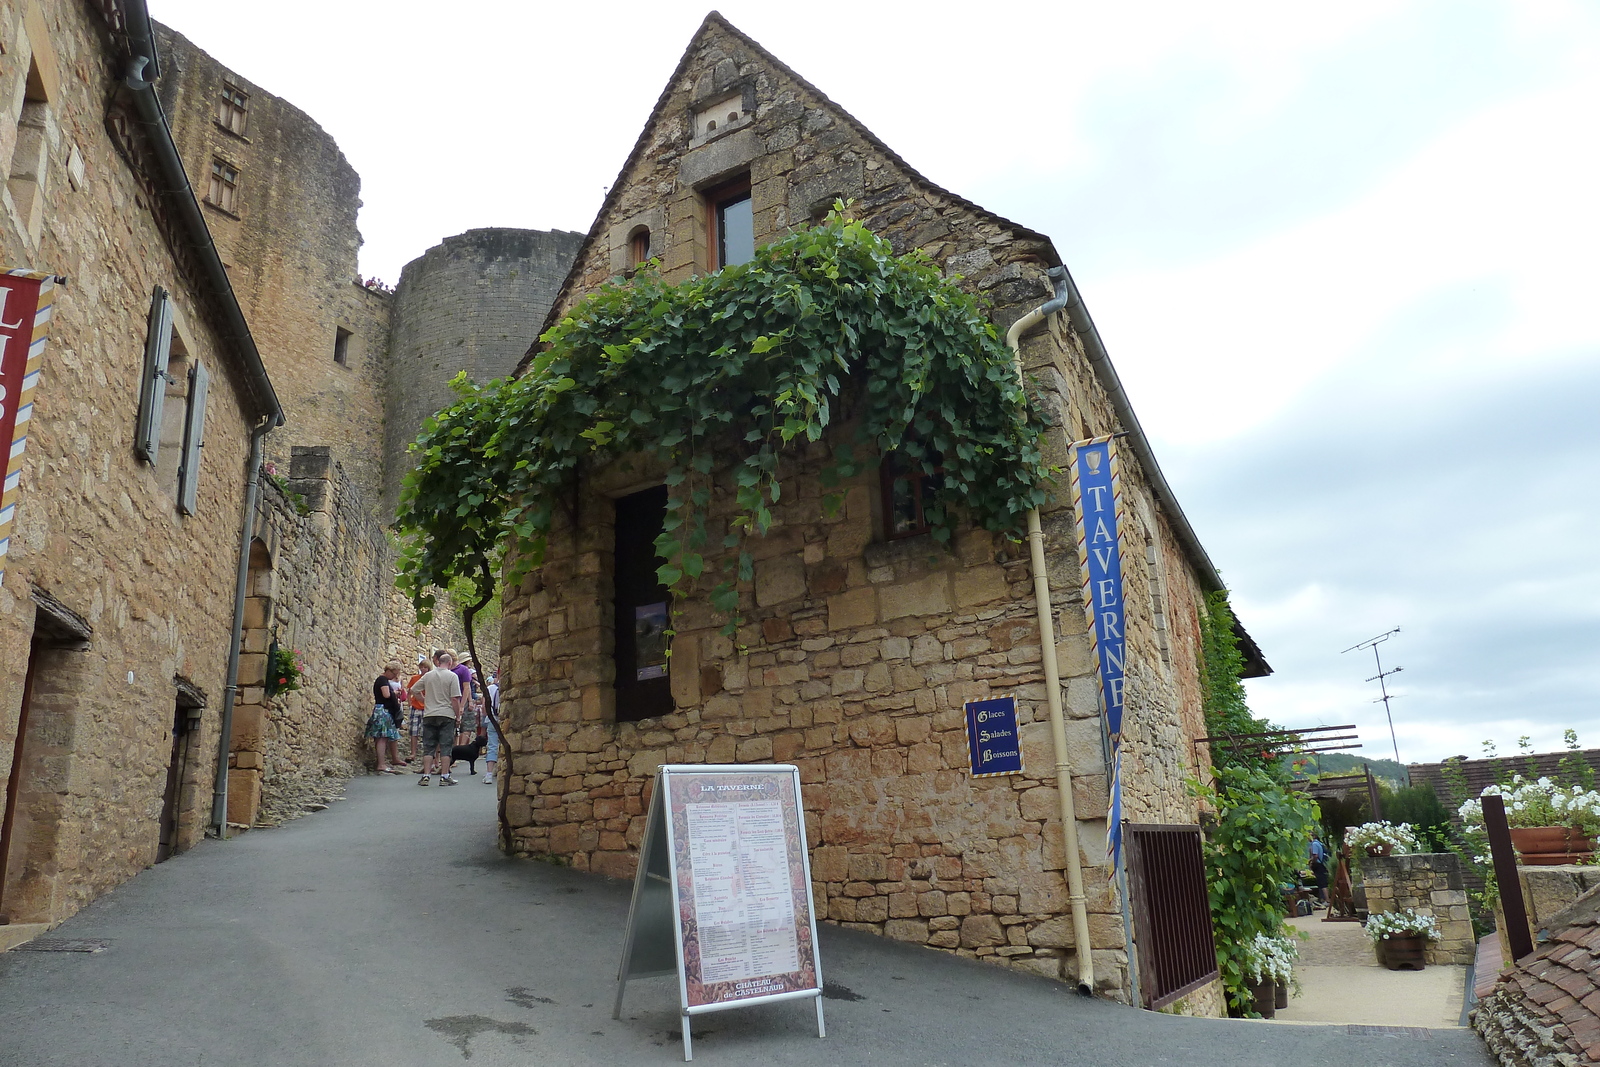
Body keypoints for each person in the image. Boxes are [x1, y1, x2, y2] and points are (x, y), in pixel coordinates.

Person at [418, 650, 462, 786]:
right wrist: (458, 715)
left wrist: (425, 701)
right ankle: (444, 776)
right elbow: (454, 698)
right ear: (449, 663)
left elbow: (413, 690)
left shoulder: (428, 676)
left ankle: (426, 775)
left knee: (429, 746)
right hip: (446, 714)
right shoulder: (452, 676)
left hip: (430, 714)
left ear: (438, 662)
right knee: (445, 746)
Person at [365, 661, 405, 774]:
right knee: (382, 738)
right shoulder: (382, 680)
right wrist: (394, 693)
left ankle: (384, 762)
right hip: (382, 711)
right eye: (394, 674)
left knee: (383, 737)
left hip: (381, 710)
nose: (394, 677)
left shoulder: (383, 680)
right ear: (389, 671)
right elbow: (386, 695)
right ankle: (381, 764)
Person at [405, 655, 429, 765]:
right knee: (413, 731)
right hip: (415, 707)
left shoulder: (430, 679)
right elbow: (410, 691)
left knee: (426, 732)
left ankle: (426, 754)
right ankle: (413, 753)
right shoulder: (415, 678)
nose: (422, 669)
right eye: (421, 667)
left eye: (424, 667)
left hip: (426, 708)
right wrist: (410, 704)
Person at [483, 670, 500, 785]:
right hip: (505, 720)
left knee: (492, 746)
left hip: (492, 720)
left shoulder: (490, 688)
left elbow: (484, 707)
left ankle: (489, 774)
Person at [1309, 833, 1329, 905]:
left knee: (1322, 883)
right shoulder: (1319, 843)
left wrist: (1311, 863)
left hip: (1318, 865)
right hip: (1322, 864)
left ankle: (1326, 900)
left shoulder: (1314, 844)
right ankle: (1324, 899)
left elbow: (1315, 855)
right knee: (1323, 882)